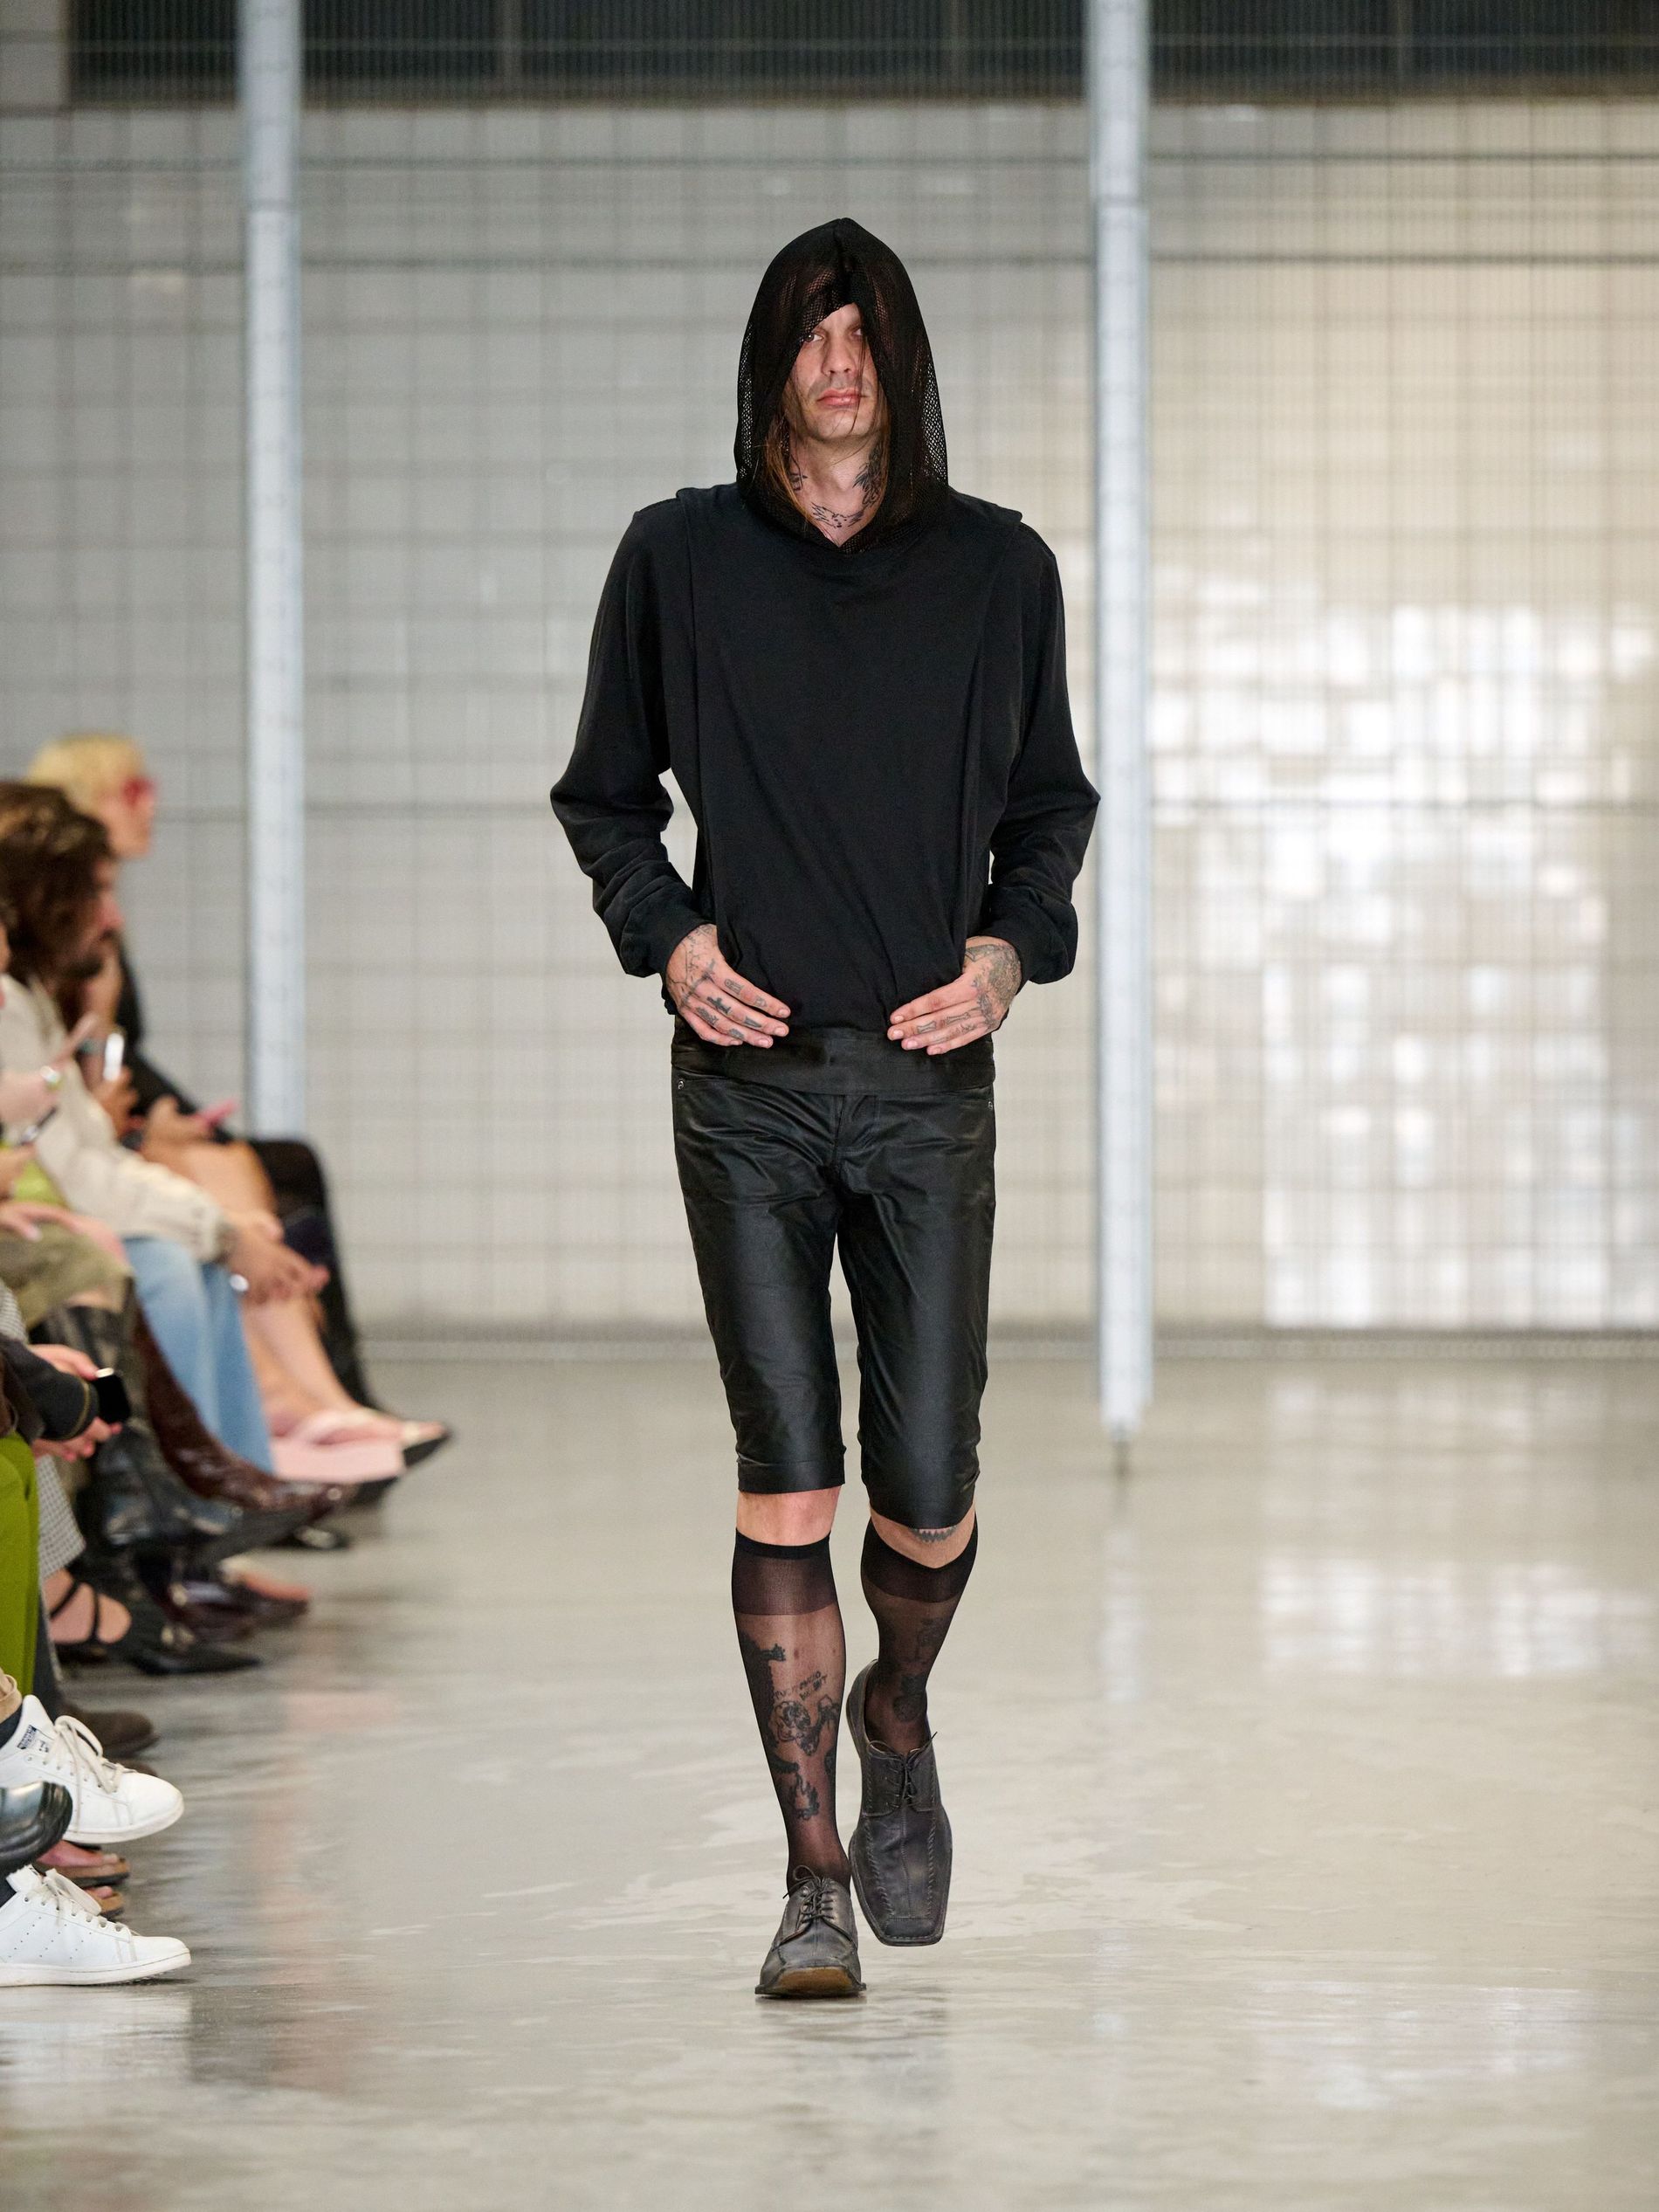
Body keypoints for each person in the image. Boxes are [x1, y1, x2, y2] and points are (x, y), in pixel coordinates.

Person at [552, 218, 1098, 1997]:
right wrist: (670, 938)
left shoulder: (998, 568)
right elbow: (606, 796)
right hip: (749, 1093)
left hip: (927, 1085)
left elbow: (1050, 810)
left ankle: (896, 1707)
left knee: (925, 1489)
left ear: (903, 362)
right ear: (770, 362)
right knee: (786, 1474)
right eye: (811, 333)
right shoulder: (680, 558)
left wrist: (1007, 955)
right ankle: (808, 1879)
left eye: (866, 336)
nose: (839, 364)